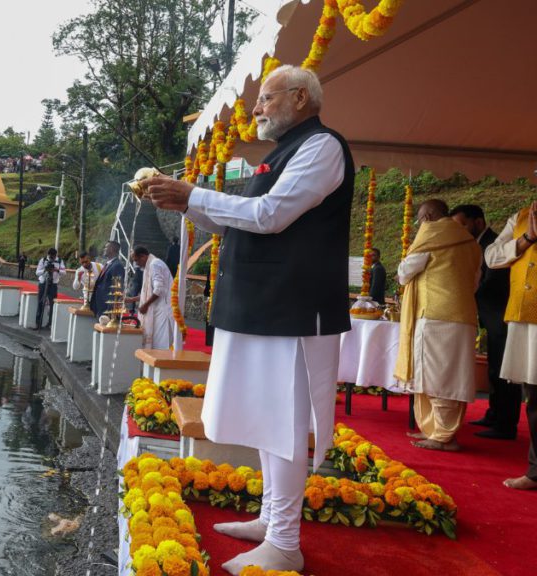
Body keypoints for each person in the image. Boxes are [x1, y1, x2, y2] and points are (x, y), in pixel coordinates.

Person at [145, 65, 353, 574]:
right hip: (260, 306)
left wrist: (192, 195)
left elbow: (269, 215)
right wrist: (187, 200)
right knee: (266, 417)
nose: (256, 108)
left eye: (266, 98)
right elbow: (233, 215)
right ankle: (270, 520)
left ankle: (285, 543)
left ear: (301, 98)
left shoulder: (322, 147)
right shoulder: (279, 155)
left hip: (293, 308)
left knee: (283, 421)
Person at [396, 199, 480, 452]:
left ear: (429, 216)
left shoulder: (432, 234)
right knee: (452, 376)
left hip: (435, 315)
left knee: (435, 377)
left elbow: (404, 273)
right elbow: (475, 281)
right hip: (463, 315)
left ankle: (443, 436)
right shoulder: (470, 241)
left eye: (420, 219)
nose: (420, 225)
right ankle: (436, 430)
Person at [451, 204, 516, 439]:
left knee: (504, 372)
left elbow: (490, 284)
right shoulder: (475, 245)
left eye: (462, 225)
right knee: (493, 368)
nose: (459, 231)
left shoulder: (494, 243)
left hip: (501, 317)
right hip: (489, 318)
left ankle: (505, 424)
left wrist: (463, 295)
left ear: (478, 222)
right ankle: (494, 414)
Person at [485, 200, 537, 489]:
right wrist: (527, 239)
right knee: (534, 394)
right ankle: (535, 472)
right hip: (526, 315)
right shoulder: (520, 218)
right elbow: (492, 256)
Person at [126, 246, 174, 349]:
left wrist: (145, 305)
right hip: (157, 310)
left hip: (163, 311)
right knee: (155, 344)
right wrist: (131, 299)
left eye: (136, 260)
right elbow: (147, 293)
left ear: (143, 256)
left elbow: (159, 290)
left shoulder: (154, 264)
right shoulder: (150, 265)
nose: (136, 264)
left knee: (161, 346)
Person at [89, 241, 125, 318]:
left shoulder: (117, 266)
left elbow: (117, 289)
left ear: (111, 249)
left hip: (106, 309)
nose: (104, 249)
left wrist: (110, 309)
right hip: (100, 306)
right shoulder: (108, 264)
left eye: (106, 247)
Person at [34, 248, 66, 329]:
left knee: (52, 304)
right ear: (48, 255)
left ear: (56, 255)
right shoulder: (43, 260)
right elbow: (37, 272)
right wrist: (45, 270)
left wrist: (56, 270)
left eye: (53, 257)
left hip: (53, 284)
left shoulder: (59, 261)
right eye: (50, 256)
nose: (51, 258)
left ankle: (50, 324)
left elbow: (64, 272)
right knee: (40, 303)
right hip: (43, 283)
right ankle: (38, 324)